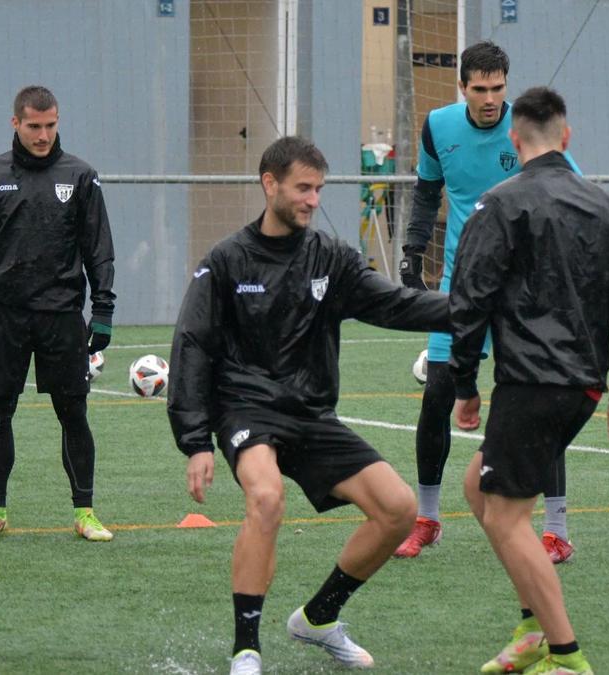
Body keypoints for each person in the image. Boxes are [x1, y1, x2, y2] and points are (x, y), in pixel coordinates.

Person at [168, 136, 451, 674]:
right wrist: (195, 441)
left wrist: (471, 311)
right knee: (267, 498)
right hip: (246, 409)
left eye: (319, 189)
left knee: (396, 510)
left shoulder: (332, 258)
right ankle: (246, 649)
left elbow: (396, 304)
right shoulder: (226, 261)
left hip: (311, 414)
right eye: (303, 187)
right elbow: (193, 346)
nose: (313, 199)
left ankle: (318, 618)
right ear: (269, 184)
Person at [450, 87, 609, 675]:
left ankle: (564, 655)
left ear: (514, 142)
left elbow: (470, 301)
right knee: (478, 489)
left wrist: (464, 383)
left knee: (508, 517)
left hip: (531, 384)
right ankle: (530, 628)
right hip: (582, 388)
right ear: (567, 138)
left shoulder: (498, 204)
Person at [397, 40, 578, 563]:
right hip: (462, 285)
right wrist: (412, 249)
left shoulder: (527, 128)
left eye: (498, 88)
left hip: (526, 290)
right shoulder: (438, 126)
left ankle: (557, 528)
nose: (490, 99)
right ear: (463, 87)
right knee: (436, 397)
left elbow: (570, 189)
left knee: (538, 401)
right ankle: (428, 519)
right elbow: (427, 190)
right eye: (480, 89)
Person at [0, 85, 116, 542]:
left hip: (61, 315)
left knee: (73, 412)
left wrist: (103, 310)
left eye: (51, 125)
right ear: (15, 123)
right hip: (5, 315)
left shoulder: (80, 176)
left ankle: (86, 513)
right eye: (34, 125)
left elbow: (99, 249)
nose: (43, 135)